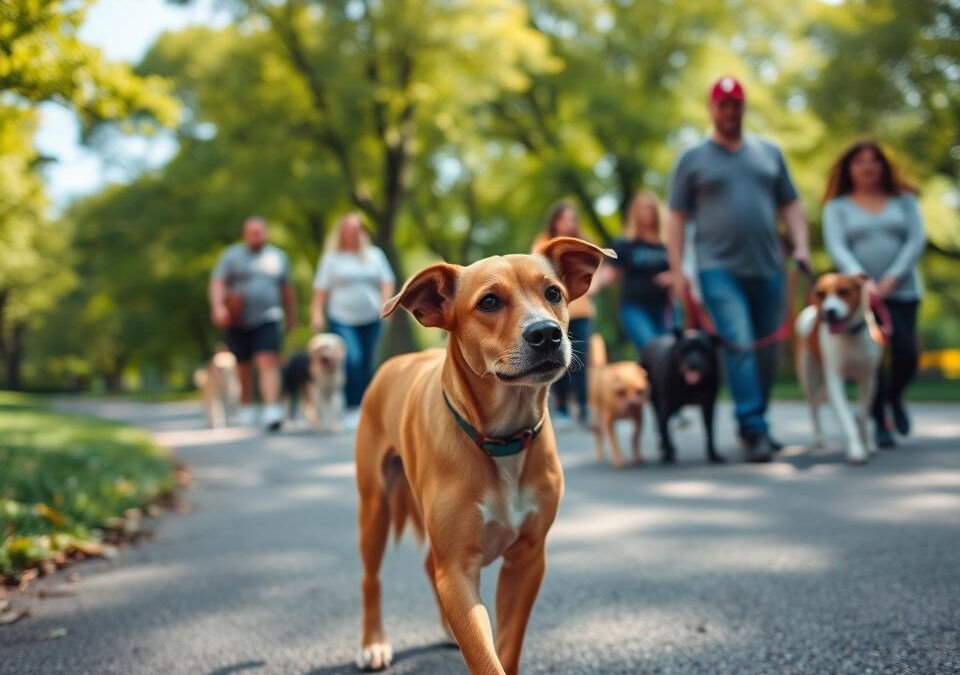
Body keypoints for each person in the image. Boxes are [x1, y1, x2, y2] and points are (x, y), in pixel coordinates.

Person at [666, 75, 811, 462]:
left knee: (767, 350)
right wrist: (678, 269)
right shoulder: (692, 159)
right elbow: (676, 216)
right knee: (741, 342)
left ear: (743, 107)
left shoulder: (769, 152)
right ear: (712, 108)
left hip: (769, 267)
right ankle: (753, 425)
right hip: (718, 268)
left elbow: (791, 205)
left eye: (736, 104)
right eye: (722, 104)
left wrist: (801, 245)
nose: (729, 111)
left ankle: (756, 420)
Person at [822, 139, 926, 449]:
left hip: (903, 289)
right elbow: (837, 246)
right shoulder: (837, 206)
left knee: (907, 353)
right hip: (861, 297)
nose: (868, 166)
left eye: (874, 160)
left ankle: (894, 398)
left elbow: (916, 240)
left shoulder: (904, 200)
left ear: (883, 166)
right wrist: (862, 282)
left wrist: (893, 277)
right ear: (848, 169)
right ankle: (879, 421)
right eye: (860, 161)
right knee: (874, 357)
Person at [210, 216, 296, 431]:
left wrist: (292, 315)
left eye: (260, 232)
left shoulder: (278, 257)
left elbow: (286, 289)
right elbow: (218, 282)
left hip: (268, 316)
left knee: (267, 360)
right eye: (252, 232)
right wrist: (218, 306)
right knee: (243, 365)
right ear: (245, 234)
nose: (257, 236)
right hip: (238, 319)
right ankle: (247, 406)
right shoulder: (231, 256)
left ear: (265, 232)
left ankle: (271, 410)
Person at [311, 213, 395, 428]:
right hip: (342, 318)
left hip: (371, 317)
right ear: (341, 233)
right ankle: (351, 407)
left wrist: (386, 303)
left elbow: (387, 281)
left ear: (362, 232)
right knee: (351, 360)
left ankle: (367, 407)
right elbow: (320, 289)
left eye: (356, 229)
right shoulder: (332, 258)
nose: (352, 233)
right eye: (348, 229)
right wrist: (317, 313)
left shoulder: (374, 255)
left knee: (367, 362)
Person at [533, 201, 596, 426]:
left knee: (581, 360)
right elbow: (534, 271)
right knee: (555, 359)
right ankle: (561, 410)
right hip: (553, 314)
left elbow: (595, 268)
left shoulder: (583, 240)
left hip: (582, 312)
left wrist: (593, 283)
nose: (568, 223)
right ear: (555, 221)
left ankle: (584, 407)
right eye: (564, 219)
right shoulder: (543, 243)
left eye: (572, 218)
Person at [607, 191, 673, 354]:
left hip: (663, 307)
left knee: (670, 351)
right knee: (652, 349)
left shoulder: (668, 243)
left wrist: (672, 277)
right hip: (634, 307)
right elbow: (610, 273)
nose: (648, 212)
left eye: (651, 208)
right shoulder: (625, 243)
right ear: (635, 212)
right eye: (643, 208)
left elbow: (682, 270)